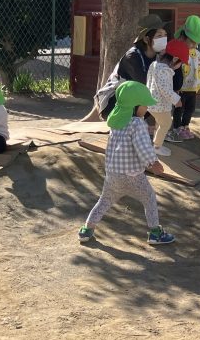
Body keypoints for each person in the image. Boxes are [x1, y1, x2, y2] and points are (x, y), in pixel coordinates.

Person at [78, 81, 176, 246]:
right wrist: (153, 162)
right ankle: (155, 233)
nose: (147, 109)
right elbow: (143, 147)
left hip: (113, 174)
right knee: (149, 198)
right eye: (145, 105)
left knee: (104, 201)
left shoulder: (115, 122)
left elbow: (110, 148)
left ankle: (87, 229)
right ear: (135, 106)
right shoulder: (137, 124)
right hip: (133, 175)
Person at [94, 14, 167, 119]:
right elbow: (145, 83)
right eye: (159, 36)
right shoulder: (132, 56)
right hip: (112, 103)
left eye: (165, 35)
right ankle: (134, 123)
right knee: (150, 91)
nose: (164, 39)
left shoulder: (158, 57)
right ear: (146, 39)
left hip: (134, 100)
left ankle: (145, 122)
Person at [147, 38, 190, 156]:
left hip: (152, 102)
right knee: (166, 123)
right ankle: (157, 147)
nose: (180, 66)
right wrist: (176, 99)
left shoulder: (155, 65)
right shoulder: (165, 71)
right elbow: (164, 89)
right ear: (175, 59)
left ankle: (156, 144)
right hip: (159, 104)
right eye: (181, 63)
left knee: (159, 123)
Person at [172, 15, 200, 141]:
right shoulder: (177, 51)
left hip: (192, 87)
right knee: (179, 108)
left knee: (190, 109)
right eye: (191, 41)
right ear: (183, 36)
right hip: (181, 88)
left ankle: (185, 126)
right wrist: (174, 88)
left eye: (196, 42)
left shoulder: (196, 53)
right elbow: (173, 71)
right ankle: (176, 127)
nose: (194, 45)